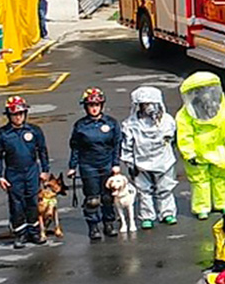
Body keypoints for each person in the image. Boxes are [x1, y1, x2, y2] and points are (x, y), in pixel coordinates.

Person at [176, 71, 225, 220]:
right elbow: (184, 134)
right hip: (198, 151)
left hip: (218, 150)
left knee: (221, 178)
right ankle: (201, 207)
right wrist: (189, 153)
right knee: (199, 181)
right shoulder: (186, 113)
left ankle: (223, 204)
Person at [0, 96, 50, 248]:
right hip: (13, 173)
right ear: (9, 115)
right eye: (15, 114)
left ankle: (35, 232)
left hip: (32, 171)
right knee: (17, 205)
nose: (18, 117)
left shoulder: (34, 131)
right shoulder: (2, 134)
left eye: (21, 113)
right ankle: (20, 234)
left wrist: (45, 170)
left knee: (32, 202)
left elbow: (42, 151)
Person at [120, 86, 179, 229]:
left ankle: (167, 213)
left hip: (164, 161)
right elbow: (127, 146)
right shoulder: (130, 124)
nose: (149, 108)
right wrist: (130, 164)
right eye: (145, 104)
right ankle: (147, 217)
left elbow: (173, 139)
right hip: (141, 162)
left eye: (151, 104)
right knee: (144, 190)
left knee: (165, 188)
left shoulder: (167, 121)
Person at [67, 87, 122, 240]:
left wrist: (116, 164)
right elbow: (75, 147)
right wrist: (72, 167)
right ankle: (93, 227)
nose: (94, 108)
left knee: (107, 197)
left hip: (107, 165)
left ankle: (109, 224)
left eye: (97, 105)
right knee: (92, 200)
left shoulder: (111, 123)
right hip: (88, 166)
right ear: (86, 107)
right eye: (91, 105)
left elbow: (117, 144)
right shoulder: (80, 126)